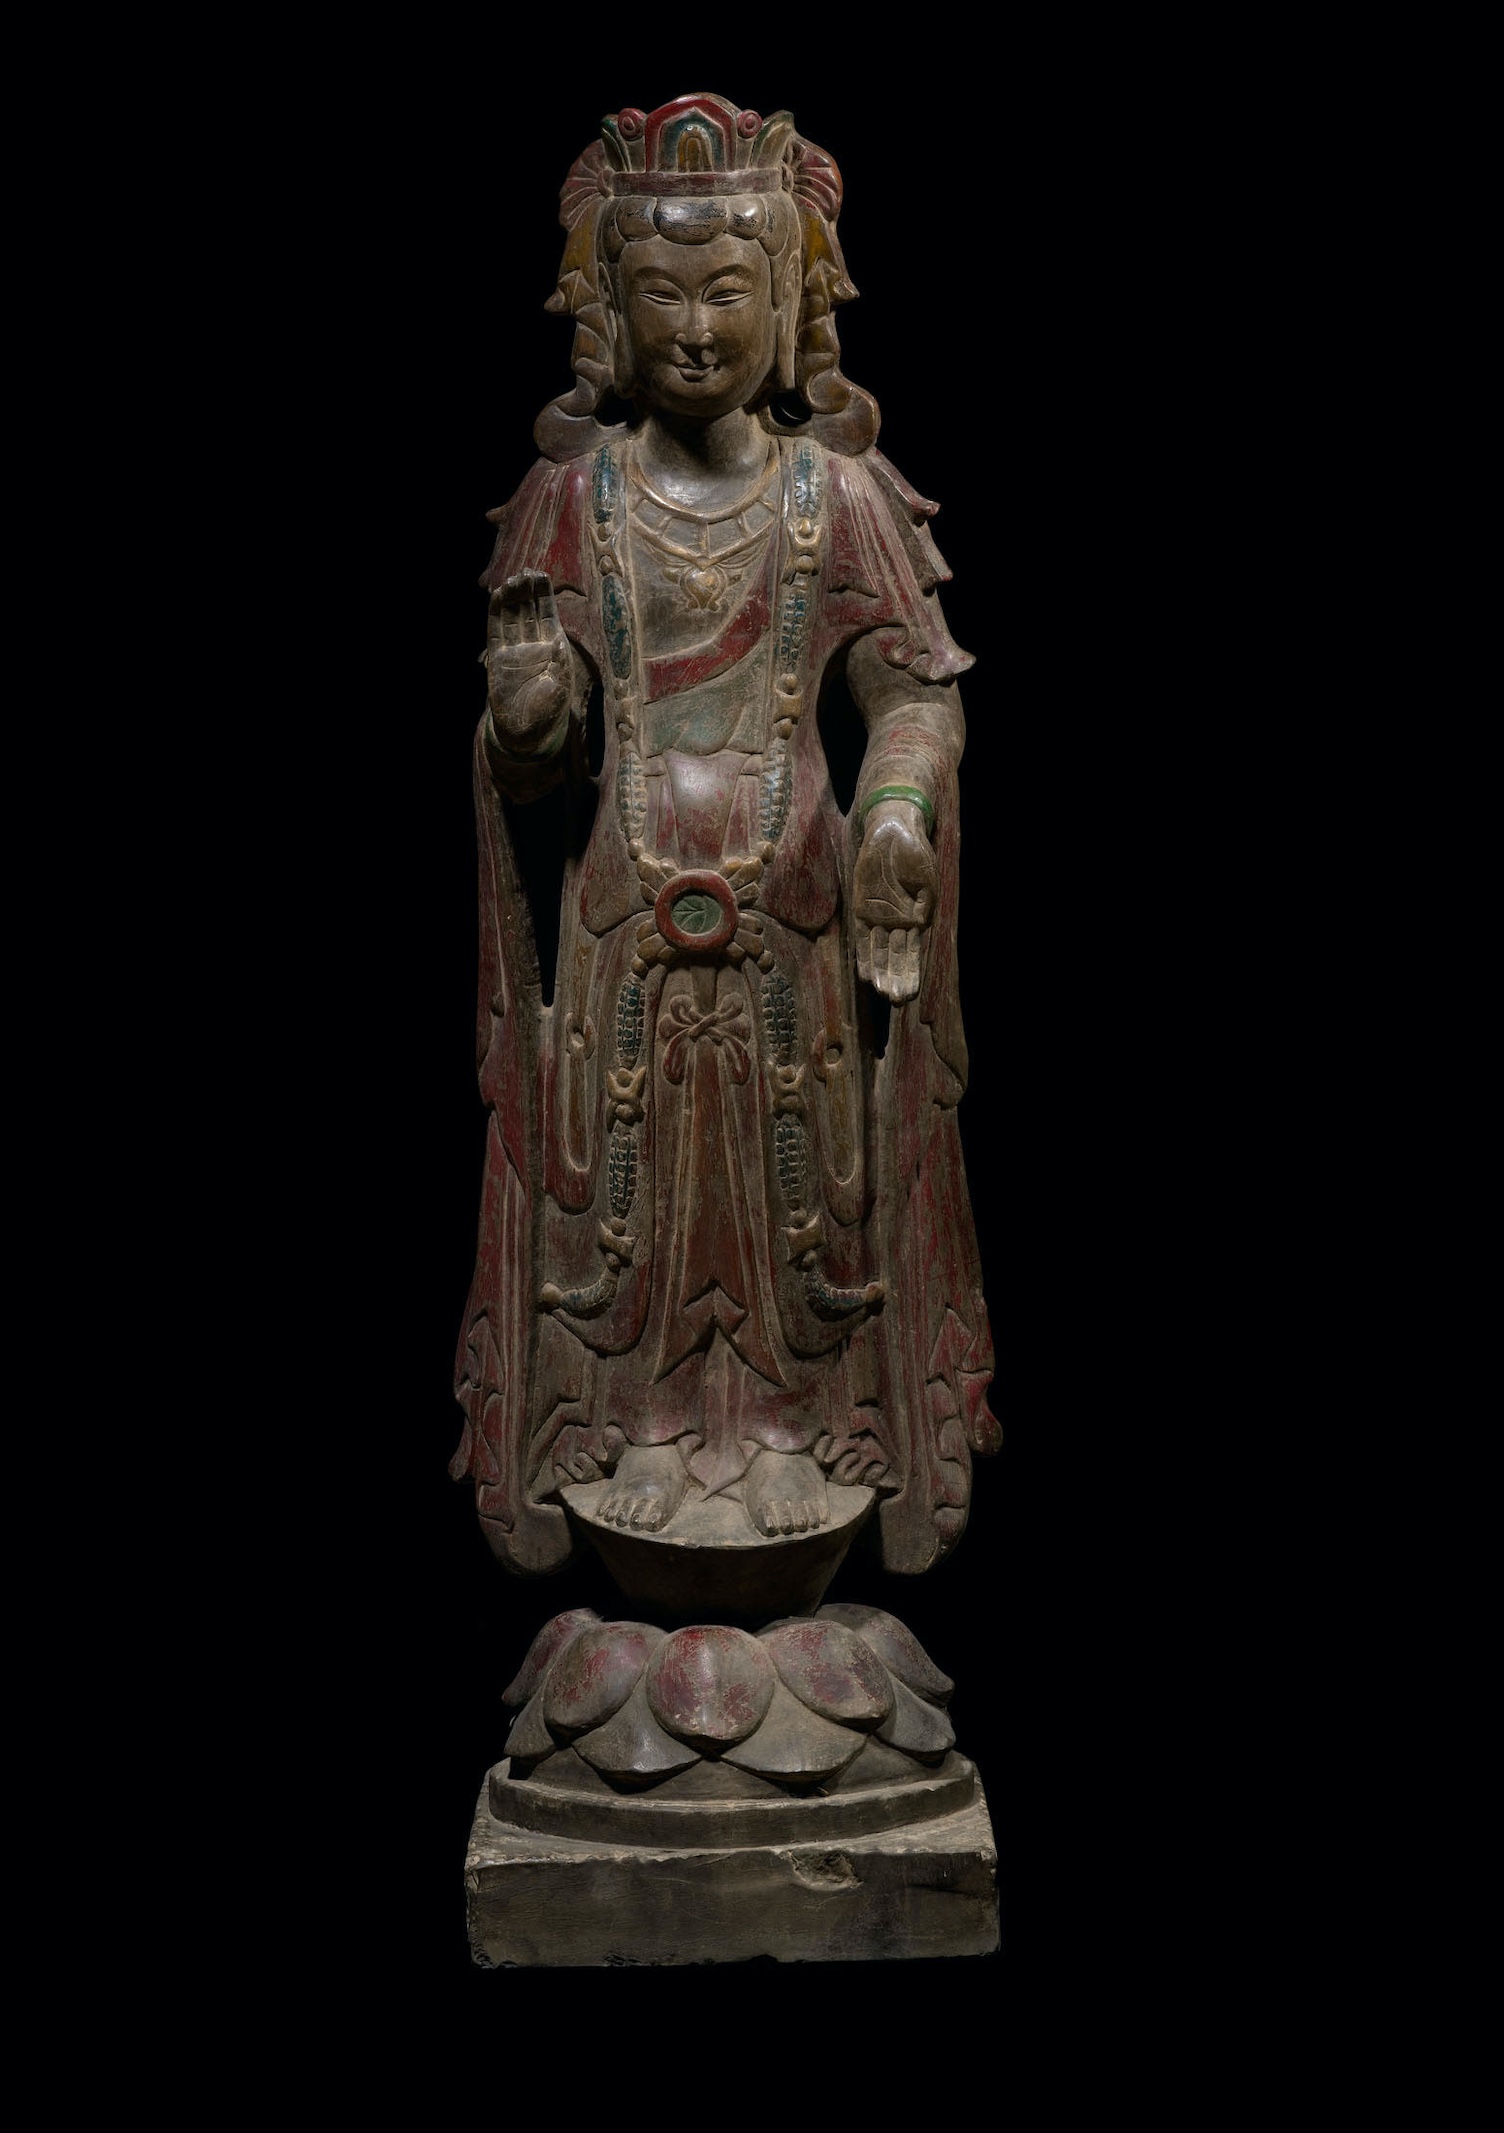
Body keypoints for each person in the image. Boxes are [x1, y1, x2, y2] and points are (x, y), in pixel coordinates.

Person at [451, 94, 999, 1579]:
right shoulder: (571, 502)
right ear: (610, 314)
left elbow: (913, 695)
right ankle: (629, 1447)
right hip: (624, 919)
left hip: (797, 918)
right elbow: (541, 743)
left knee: (811, 1212)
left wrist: (897, 808)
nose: (696, 331)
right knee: (616, 1219)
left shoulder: (843, 497)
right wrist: (528, 722)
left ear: (793, 301)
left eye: (729, 292)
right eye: (662, 294)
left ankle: (803, 1452)